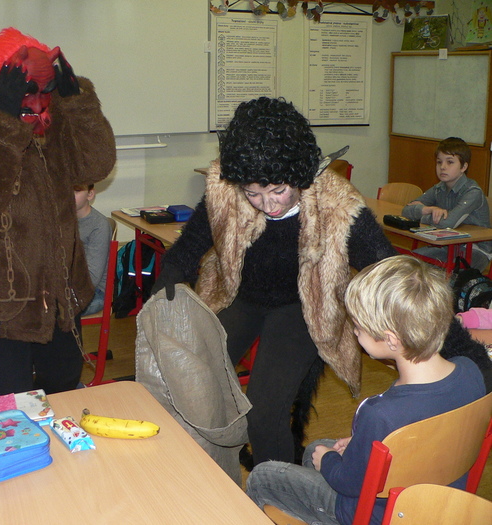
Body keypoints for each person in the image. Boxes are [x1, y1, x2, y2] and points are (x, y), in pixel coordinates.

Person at [152, 96, 492, 469]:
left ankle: (275, 488)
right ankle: (204, 468)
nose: (268, 204)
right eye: (253, 194)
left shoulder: (338, 207)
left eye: (278, 191)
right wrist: (172, 270)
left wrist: (470, 353)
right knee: (196, 379)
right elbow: (196, 237)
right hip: (241, 295)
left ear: (300, 175)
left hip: (302, 306)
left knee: (264, 410)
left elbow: (401, 285)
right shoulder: (225, 187)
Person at [0, 28, 116, 396]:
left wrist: (77, 103)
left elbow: (95, 165)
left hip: (60, 294)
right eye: (29, 91)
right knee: (10, 400)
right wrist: (1, 119)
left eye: (44, 91)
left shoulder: (50, 125)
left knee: (62, 387)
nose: (37, 102)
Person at [245, 255, 486, 525]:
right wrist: (361, 442)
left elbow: (350, 483)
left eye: (358, 327)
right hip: (438, 499)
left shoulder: (379, 413)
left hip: (377, 514)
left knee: (264, 475)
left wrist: (331, 461)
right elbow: (424, 430)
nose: (354, 333)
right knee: (315, 448)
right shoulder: (470, 371)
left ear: (391, 339)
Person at [402, 137, 492, 271]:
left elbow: (447, 223)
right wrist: (428, 209)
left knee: (441, 273)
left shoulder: (473, 192)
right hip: (447, 246)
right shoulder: (439, 188)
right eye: (439, 162)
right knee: (406, 262)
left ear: (464, 167)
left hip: (475, 249)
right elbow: (406, 210)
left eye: (450, 162)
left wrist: (423, 217)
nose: (443, 167)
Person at [75, 184, 112, 316]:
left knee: (46, 313)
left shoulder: (99, 225)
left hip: (94, 293)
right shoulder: (62, 219)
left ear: (90, 194)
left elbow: (92, 278)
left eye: (76, 190)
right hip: (67, 288)